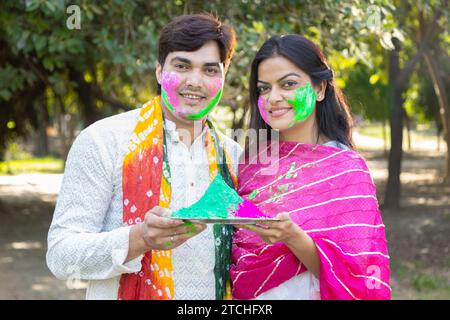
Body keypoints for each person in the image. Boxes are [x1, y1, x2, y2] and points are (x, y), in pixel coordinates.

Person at [46, 13, 241, 300]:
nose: (195, 81)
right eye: (182, 66)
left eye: (210, 70)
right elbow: (61, 256)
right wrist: (139, 239)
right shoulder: (104, 140)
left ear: (224, 77)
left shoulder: (235, 158)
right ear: (160, 71)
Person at [230, 35, 391, 300]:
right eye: (263, 88)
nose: (273, 98)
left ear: (320, 89)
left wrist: (294, 238)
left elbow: (358, 274)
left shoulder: (346, 169)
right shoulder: (251, 166)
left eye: (288, 84)